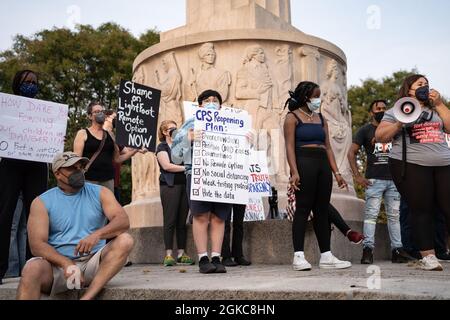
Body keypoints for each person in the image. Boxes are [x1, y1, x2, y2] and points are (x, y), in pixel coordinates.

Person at [16, 152, 134, 300]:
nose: (78, 171)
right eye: (72, 168)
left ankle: (87, 296)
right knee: (31, 268)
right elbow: (37, 245)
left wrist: (96, 235)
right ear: (58, 174)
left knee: (125, 240)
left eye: (80, 167)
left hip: (94, 263)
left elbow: (123, 221)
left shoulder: (101, 192)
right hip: (58, 267)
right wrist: (65, 263)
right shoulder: (41, 202)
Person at [376, 74, 450, 271]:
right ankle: (428, 256)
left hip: (443, 164)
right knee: (421, 209)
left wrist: (441, 105)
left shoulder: (436, 110)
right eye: (419, 84)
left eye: (427, 84)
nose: (425, 87)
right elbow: (380, 137)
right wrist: (400, 121)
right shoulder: (396, 111)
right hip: (412, 165)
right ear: (409, 90)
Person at [284, 81, 352, 271]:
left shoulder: (321, 118)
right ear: (306, 97)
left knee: (322, 210)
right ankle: (298, 256)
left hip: (322, 164)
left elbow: (328, 147)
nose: (318, 99)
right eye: (316, 95)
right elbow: (289, 147)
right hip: (304, 162)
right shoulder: (292, 117)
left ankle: (326, 256)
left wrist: (336, 173)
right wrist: (294, 171)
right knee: (303, 209)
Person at [172, 90, 232, 274]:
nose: (211, 103)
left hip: (222, 175)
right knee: (201, 216)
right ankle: (202, 257)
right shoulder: (189, 124)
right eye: (207, 100)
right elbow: (175, 157)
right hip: (198, 174)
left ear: (221, 106)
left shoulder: (231, 124)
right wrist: (187, 140)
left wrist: (247, 141)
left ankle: (216, 256)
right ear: (199, 106)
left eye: (215, 100)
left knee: (219, 217)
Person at [348, 100, 412, 264]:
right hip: (374, 180)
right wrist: (357, 176)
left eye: (384, 108)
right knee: (371, 216)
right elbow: (351, 152)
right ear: (372, 112)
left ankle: (397, 250)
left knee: (394, 217)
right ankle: (367, 251)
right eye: (378, 108)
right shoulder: (365, 130)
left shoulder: (395, 129)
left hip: (394, 180)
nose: (381, 110)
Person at [0, 70, 49, 285]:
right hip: (10, 163)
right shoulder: (6, 107)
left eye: (34, 82)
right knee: (4, 214)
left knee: (36, 214)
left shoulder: (46, 111)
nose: (31, 85)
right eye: (26, 82)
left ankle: (35, 266)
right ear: (17, 84)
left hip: (36, 164)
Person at [73, 101, 141, 193]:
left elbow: (117, 159)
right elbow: (77, 160)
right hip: (89, 180)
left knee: (107, 206)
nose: (100, 114)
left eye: (102, 111)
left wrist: (135, 151)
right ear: (89, 116)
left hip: (108, 180)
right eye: (97, 112)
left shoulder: (110, 135)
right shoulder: (83, 133)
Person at [156, 120, 194, 267]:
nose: (174, 131)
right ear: (164, 132)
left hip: (184, 185)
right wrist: (187, 168)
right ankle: (168, 254)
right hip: (169, 186)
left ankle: (181, 253)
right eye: (171, 129)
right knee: (170, 219)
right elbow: (167, 166)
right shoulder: (162, 147)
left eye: (176, 128)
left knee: (181, 221)